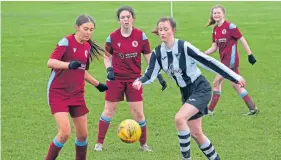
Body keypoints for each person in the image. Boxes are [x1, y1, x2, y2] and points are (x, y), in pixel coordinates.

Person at [133, 16, 247, 160]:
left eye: (166, 29)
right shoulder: (158, 53)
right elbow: (150, 73)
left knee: (180, 119)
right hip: (186, 92)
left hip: (200, 88)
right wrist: (139, 81)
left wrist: (234, 76)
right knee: (196, 133)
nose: (162, 32)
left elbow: (208, 62)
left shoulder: (184, 47)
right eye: (160, 29)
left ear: (173, 30)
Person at [93, 6, 167, 152]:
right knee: (109, 110)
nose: (126, 20)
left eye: (128, 17)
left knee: (138, 113)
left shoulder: (141, 36)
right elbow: (107, 57)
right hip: (116, 79)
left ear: (133, 18)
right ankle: (99, 144)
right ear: (119, 20)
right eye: (122, 17)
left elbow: (149, 58)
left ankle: (143, 145)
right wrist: (109, 70)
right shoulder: (112, 37)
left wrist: (158, 74)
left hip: (135, 80)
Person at [45, 14, 108, 160]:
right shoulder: (65, 42)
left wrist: (97, 84)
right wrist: (68, 65)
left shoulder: (86, 46)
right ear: (77, 28)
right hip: (58, 93)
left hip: (77, 94)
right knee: (65, 132)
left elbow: (81, 70)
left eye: (91, 29)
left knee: (83, 135)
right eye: (85, 29)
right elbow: (50, 62)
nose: (88, 32)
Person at [204, 4, 259, 115]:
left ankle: (209, 110)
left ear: (223, 14)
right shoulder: (215, 29)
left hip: (230, 61)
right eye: (214, 13)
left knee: (216, 82)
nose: (216, 15)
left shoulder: (231, 27)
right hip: (224, 60)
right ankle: (253, 108)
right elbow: (214, 47)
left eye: (218, 12)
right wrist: (202, 54)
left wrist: (250, 54)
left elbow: (242, 39)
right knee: (236, 85)